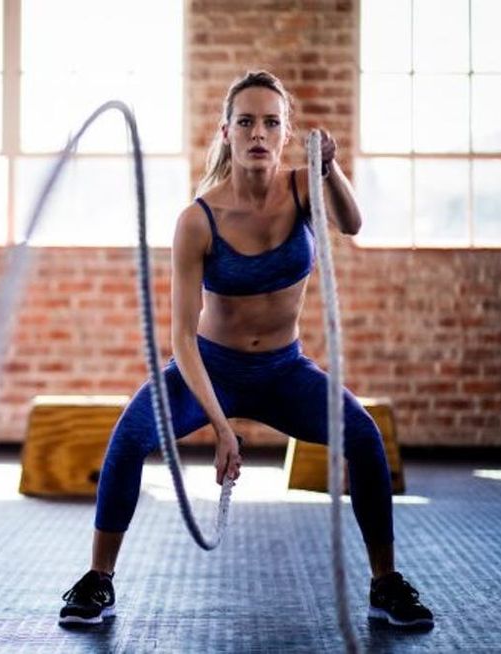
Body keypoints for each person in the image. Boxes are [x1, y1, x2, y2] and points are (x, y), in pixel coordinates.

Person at [58, 70, 434, 630]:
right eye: (246, 121)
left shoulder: (306, 187)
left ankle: (385, 582)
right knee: (130, 436)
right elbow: (182, 338)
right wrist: (219, 426)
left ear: (286, 135)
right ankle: (98, 579)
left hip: (284, 371)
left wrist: (328, 167)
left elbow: (352, 223)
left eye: (271, 123)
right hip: (208, 368)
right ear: (226, 132)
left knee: (363, 435)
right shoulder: (197, 220)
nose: (259, 133)